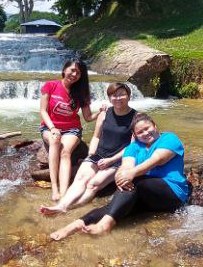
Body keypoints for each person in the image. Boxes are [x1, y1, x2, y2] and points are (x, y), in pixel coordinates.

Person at [49, 112, 189, 240]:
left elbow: (158, 159)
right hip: (146, 196)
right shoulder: (133, 147)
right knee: (110, 207)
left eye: (147, 128)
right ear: (134, 135)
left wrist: (132, 173)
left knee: (136, 180)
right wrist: (122, 176)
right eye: (140, 132)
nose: (145, 133)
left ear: (155, 126)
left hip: (172, 193)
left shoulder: (169, 138)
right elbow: (125, 167)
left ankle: (105, 225)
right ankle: (72, 227)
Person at [39, 81, 136, 217]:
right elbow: (96, 137)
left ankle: (70, 208)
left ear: (129, 96)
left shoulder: (136, 118)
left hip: (117, 160)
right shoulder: (104, 114)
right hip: (99, 155)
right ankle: (62, 205)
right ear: (109, 98)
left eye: (121, 95)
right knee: (80, 179)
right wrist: (91, 155)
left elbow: (133, 146)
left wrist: (110, 160)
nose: (118, 98)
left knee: (93, 184)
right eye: (114, 96)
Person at [39, 59, 93, 202]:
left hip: (72, 129)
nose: (74, 74)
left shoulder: (82, 92)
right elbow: (43, 111)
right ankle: (55, 188)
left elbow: (88, 117)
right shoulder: (50, 85)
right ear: (64, 70)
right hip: (49, 126)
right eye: (72, 70)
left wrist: (102, 111)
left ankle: (64, 193)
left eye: (78, 72)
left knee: (65, 152)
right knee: (55, 141)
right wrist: (53, 128)